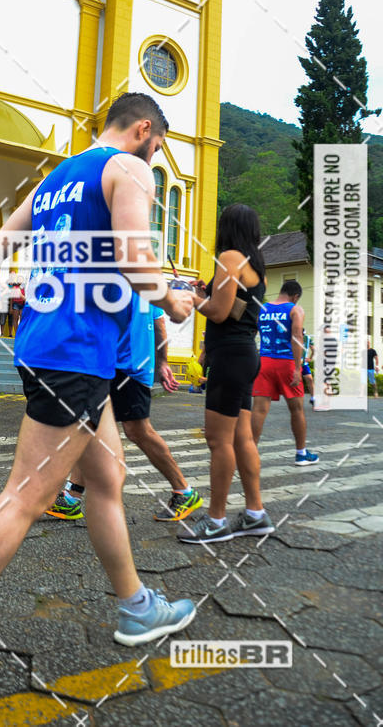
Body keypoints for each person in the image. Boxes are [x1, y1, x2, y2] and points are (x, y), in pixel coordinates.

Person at [0, 92, 196, 705]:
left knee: (106, 478)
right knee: (27, 495)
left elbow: (0, 242)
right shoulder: (129, 167)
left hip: (50, 346)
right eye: (158, 146)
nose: (155, 161)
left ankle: (136, 607)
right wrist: (173, 300)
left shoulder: (60, 176)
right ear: (143, 130)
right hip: (76, 353)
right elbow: (138, 263)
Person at [46, 294, 203, 522]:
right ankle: (71, 497)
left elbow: (159, 319)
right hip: (106, 362)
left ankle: (184, 491)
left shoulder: (137, 270)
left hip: (129, 365)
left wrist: (162, 362)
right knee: (89, 424)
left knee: (138, 430)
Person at [179, 204, 274, 544]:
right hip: (246, 354)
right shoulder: (256, 267)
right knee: (241, 438)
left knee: (218, 440)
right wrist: (208, 293)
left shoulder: (230, 258)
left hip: (230, 357)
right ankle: (255, 513)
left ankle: (217, 520)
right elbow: (236, 309)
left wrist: (191, 297)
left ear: (226, 227)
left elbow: (218, 314)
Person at [251, 280, 319, 466]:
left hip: (263, 361)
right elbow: (297, 336)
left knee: (258, 409)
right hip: (287, 362)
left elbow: (254, 331)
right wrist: (298, 368)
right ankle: (301, 454)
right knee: (296, 409)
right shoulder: (295, 310)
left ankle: (249, 452)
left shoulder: (262, 308)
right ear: (295, 296)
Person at [302, 331, 314, 406]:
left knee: (309, 379)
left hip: (303, 363)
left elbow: (314, 349)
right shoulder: (291, 336)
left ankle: (313, 398)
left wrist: (310, 358)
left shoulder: (308, 338)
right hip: (292, 362)